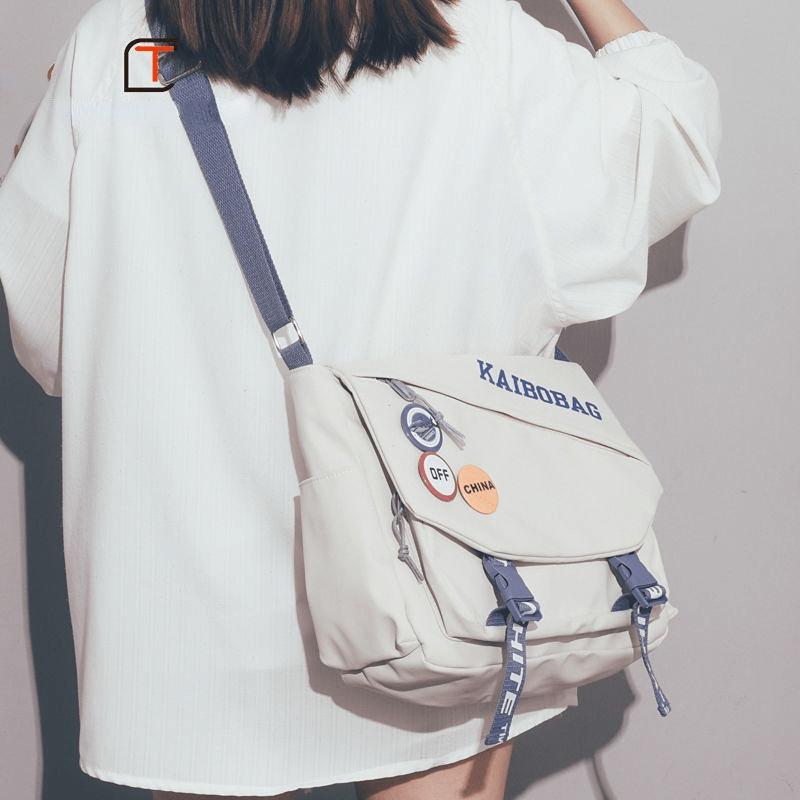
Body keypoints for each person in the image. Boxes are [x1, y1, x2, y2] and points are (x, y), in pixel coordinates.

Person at [0, 0, 721, 798]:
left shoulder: (114, 47)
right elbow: (672, 142)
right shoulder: (481, 38)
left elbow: (49, 333)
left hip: (182, 620)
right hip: (434, 584)